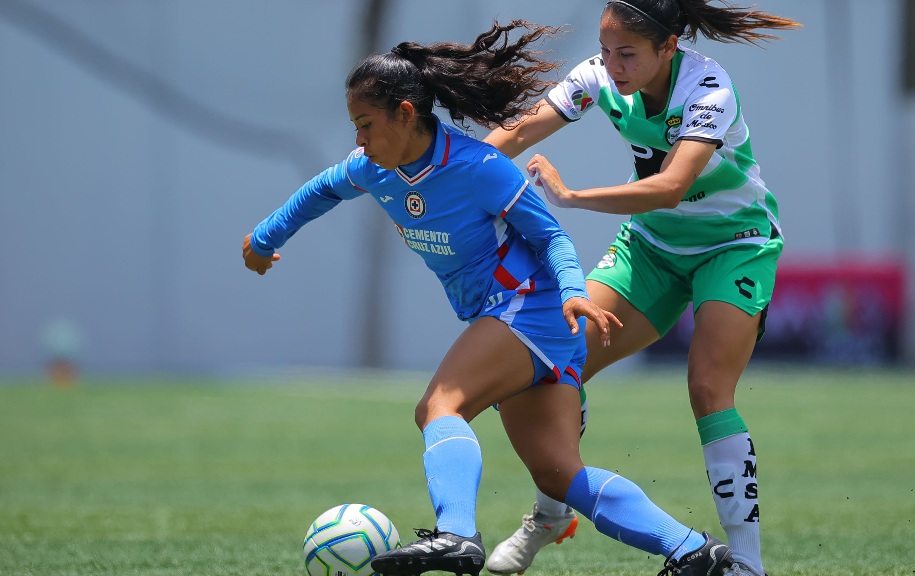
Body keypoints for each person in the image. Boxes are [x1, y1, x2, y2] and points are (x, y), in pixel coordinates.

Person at [243, 20, 744, 576]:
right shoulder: (373, 169)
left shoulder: (478, 167)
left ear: (405, 114)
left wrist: (575, 293)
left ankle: (456, 535)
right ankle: (695, 552)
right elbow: (319, 191)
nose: (358, 140)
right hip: (528, 319)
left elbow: (550, 235)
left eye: (365, 124)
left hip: (528, 306)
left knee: (439, 406)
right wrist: (264, 239)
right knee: (558, 473)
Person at [481, 3, 800, 576]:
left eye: (627, 53)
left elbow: (671, 187)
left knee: (707, 387)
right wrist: (440, 172)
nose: (612, 65)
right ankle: (552, 510)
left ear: (667, 47)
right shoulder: (598, 75)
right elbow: (521, 130)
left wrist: (572, 198)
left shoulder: (709, 87)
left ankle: (747, 566)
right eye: (606, 50)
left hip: (735, 244)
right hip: (651, 248)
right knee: (555, 359)